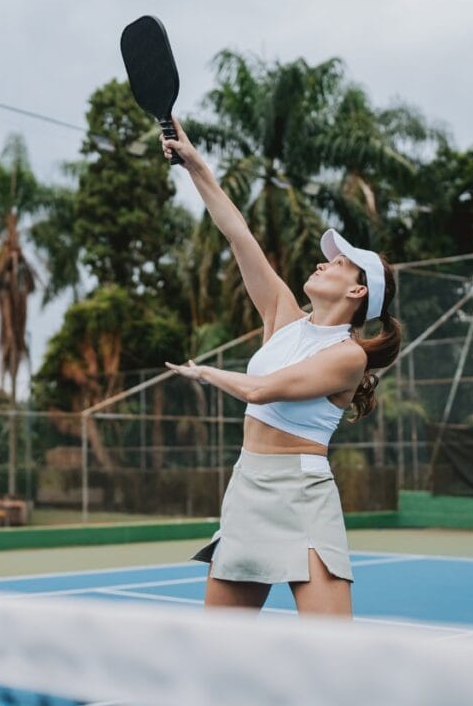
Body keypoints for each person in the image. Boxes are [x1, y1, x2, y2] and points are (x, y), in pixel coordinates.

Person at [161, 117, 401, 618]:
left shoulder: (348, 356)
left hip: (302, 494)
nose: (323, 262)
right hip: (247, 486)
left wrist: (205, 372)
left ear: (358, 292)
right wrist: (195, 164)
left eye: (339, 264)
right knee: (220, 644)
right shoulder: (283, 316)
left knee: (330, 655)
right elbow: (237, 234)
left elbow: (263, 390)